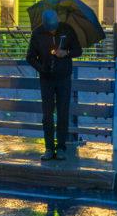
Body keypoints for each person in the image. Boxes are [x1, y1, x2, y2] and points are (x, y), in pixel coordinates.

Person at [26, 10, 82, 161]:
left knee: (63, 114)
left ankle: (61, 147)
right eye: (49, 28)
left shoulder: (67, 29)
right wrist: (41, 68)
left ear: (58, 20)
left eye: (54, 27)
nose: (52, 30)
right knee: (47, 115)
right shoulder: (37, 33)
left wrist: (66, 53)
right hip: (46, 80)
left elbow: (78, 50)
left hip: (64, 78)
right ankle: (49, 148)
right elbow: (30, 57)